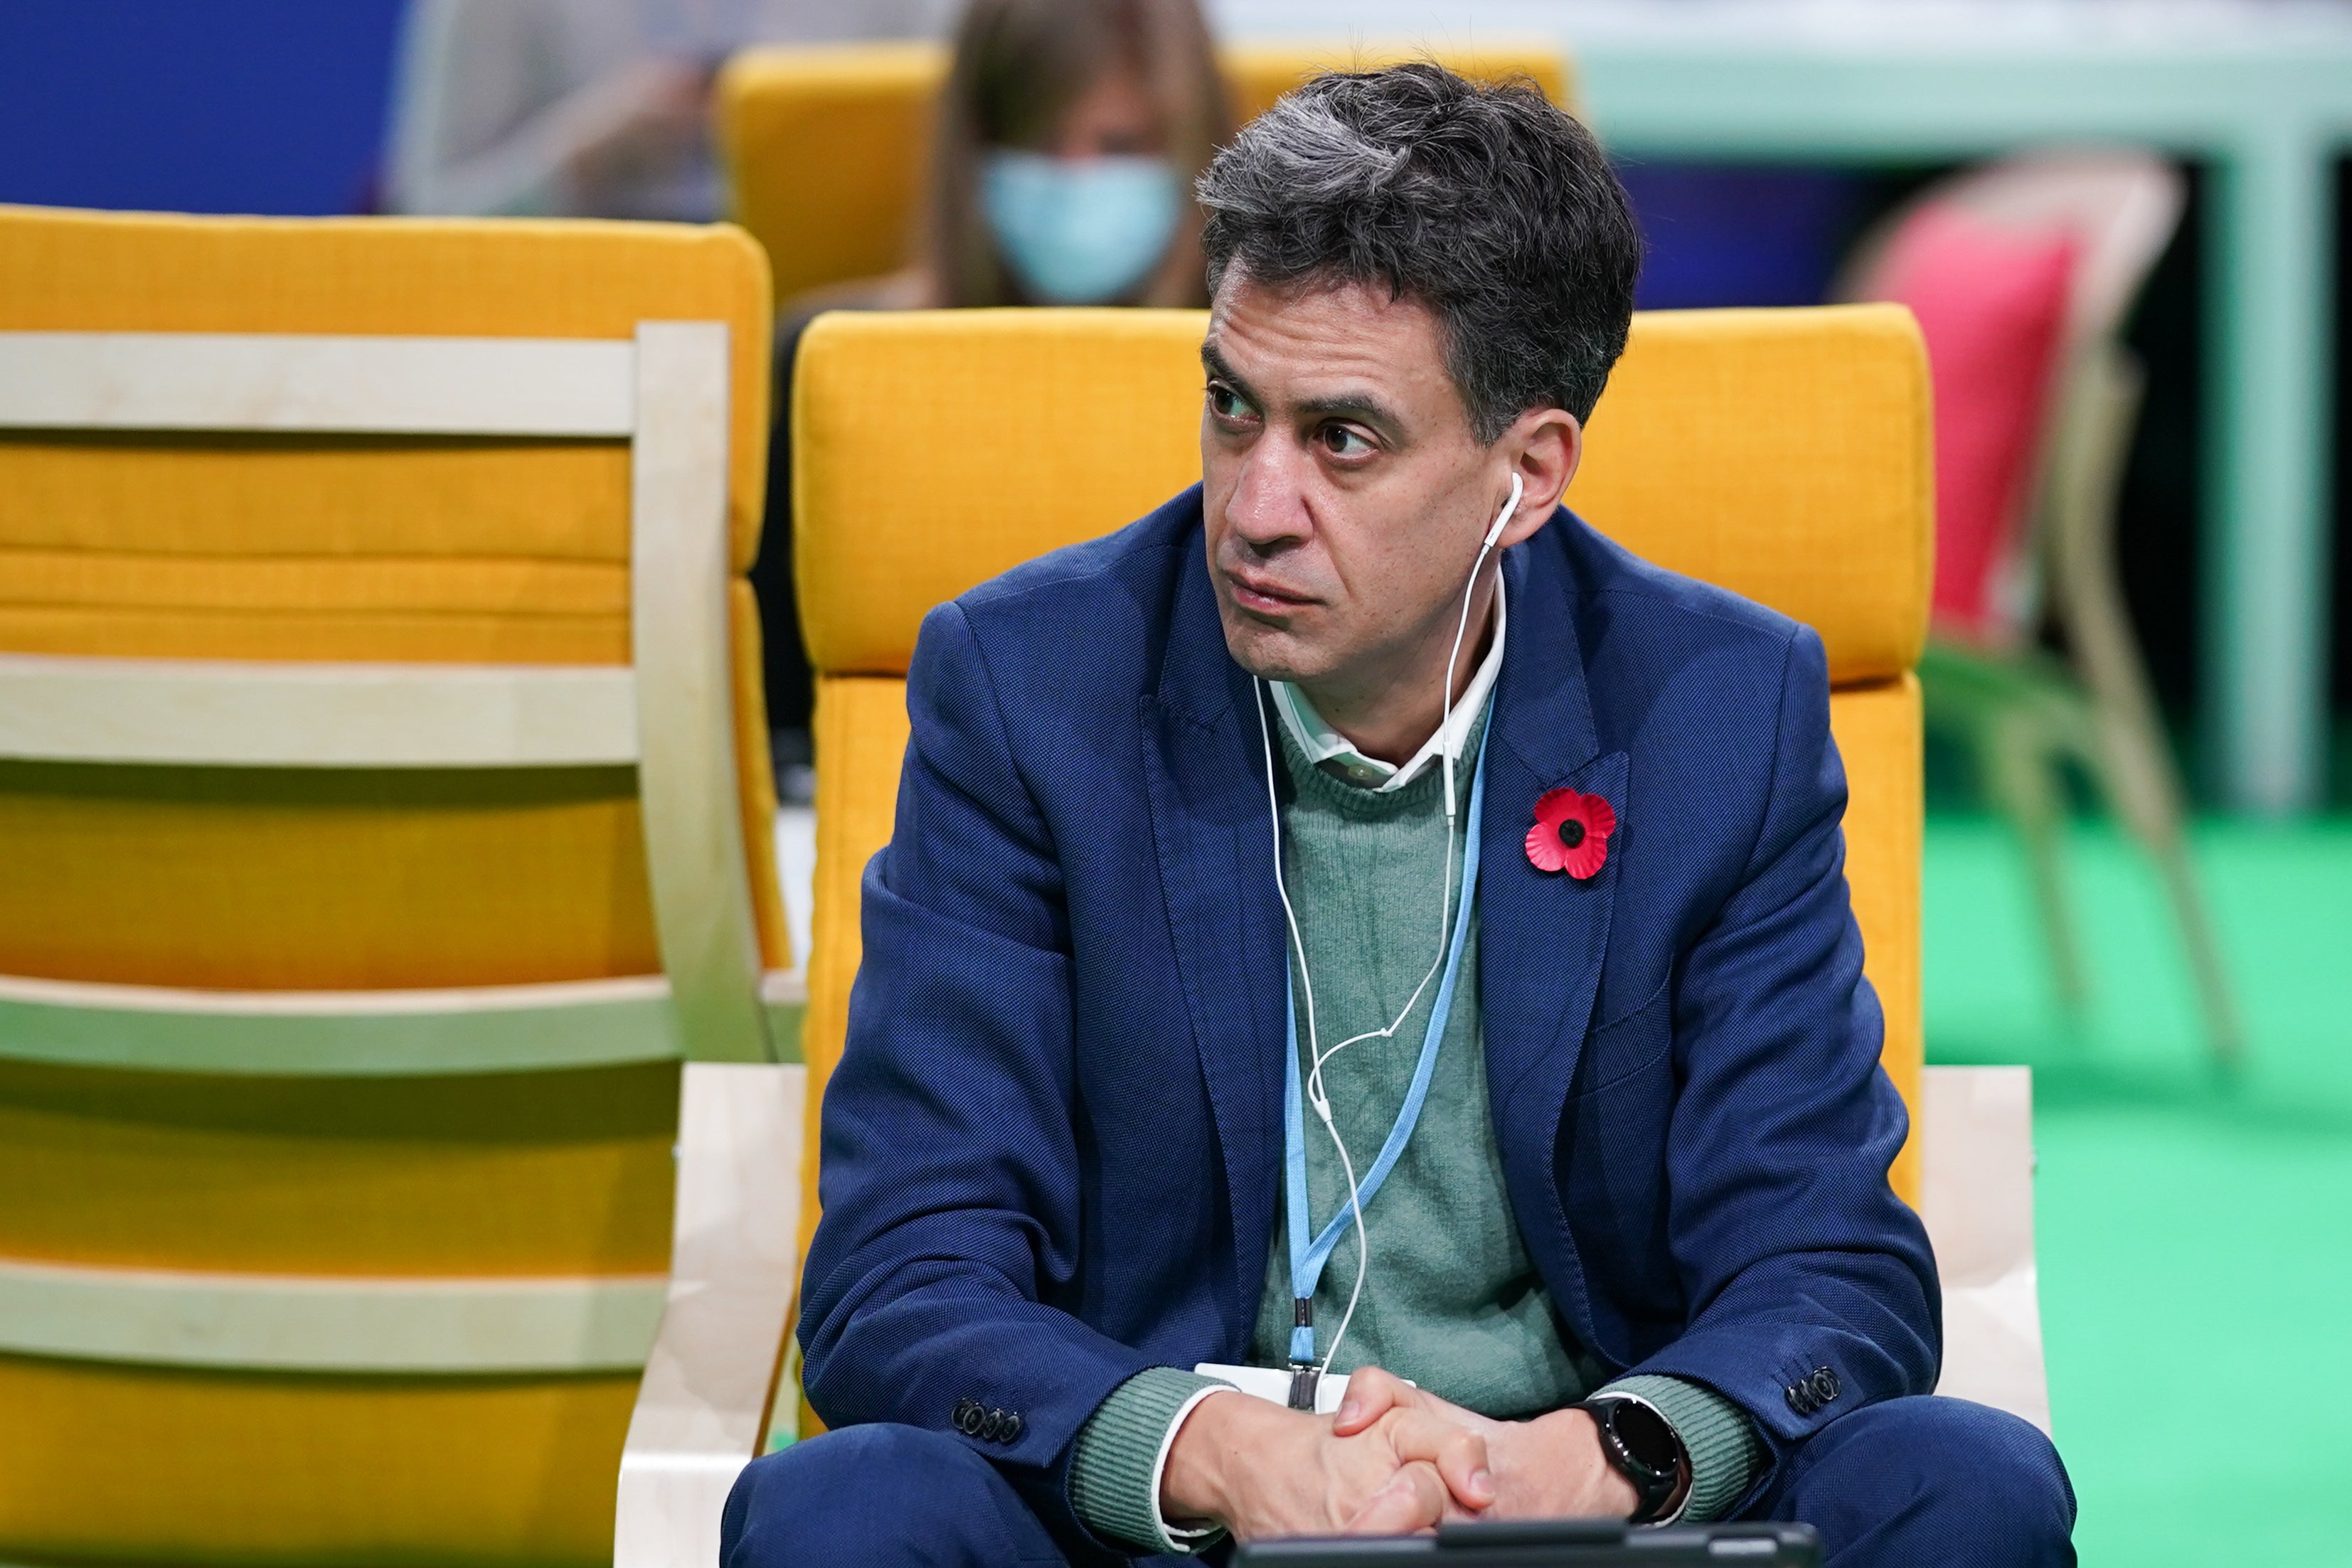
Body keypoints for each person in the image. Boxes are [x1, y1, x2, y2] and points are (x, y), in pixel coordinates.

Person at [721, 63, 2077, 1568]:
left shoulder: (1716, 712)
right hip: (1177, 1523)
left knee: (1967, 1484)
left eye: (1342, 440)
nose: (1255, 502)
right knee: (837, 1514)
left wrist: (1602, 1453)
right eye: (1233, 409)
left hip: (1565, 1514)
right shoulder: (1032, 689)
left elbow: (1825, 1262)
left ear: (1527, 474)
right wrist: (1210, 1450)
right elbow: (904, 1269)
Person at [757, 0, 1232, 782]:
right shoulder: (833, 362)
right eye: (1037, 143)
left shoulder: (1264, 395)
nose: (1075, 180)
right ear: (971, 149)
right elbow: (782, 724)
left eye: (1118, 145)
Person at [384, 0, 952, 222]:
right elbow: (427, 214)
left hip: (822, 315)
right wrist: (582, 159)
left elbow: (969, 169)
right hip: (583, 326)